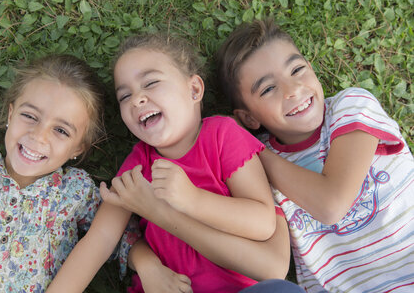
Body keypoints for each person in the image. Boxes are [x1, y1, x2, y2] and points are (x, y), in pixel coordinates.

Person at [216, 18, 414, 293]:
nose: (293, 89)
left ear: (311, 68)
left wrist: (250, 148)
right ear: (249, 117)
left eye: (297, 70)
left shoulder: (350, 107)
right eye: (268, 89)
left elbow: (331, 205)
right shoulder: (256, 170)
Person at [95, 33, 303, 293]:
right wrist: (147, 265)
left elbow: (262, 222)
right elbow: (100, 240)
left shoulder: (222, 135)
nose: (136, 99)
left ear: (194, 89)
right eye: (125, 96)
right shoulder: (137, 165)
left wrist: (191, 199)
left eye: (150, 83)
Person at [0, 55, 132, 292]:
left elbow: (119, 238)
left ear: (78, 148)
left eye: (61, 130)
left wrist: (147, 265)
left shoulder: (76, 192)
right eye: (30, 116)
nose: (38, 136)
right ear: (11, 114)